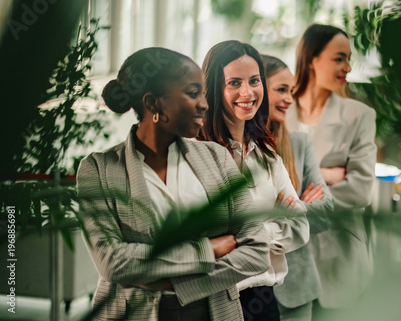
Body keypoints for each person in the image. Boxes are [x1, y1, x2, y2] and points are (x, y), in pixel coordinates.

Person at [76, 47, 271, 321]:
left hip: (214, 312)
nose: (204, 103)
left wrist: (172, 284)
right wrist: (209, 249)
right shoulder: (99, 169)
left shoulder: (216, 157)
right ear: (153, 104)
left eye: (203, 93)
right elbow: (114, 261)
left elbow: (257, 250)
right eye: (193, 93)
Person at [199, 40, 310, 321]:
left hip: (263, 298)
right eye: (234, 82)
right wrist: (274, 222)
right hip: (214, 300)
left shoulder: (266, 154)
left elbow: (301, 227)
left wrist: (247, 236)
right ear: (214, 88)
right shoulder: (195, 154)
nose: (247, 92)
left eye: (254, 80)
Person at [286, 24, 377, 316]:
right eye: (339, 58)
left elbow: (360, 189)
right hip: (287, 262)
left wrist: (294, 195)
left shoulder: (359, 116)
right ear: (312, 58)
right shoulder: (278, 110)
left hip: (339, 257)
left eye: (348, 59)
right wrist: (325, 175)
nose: (348, 68)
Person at [261, 54, 334, 321]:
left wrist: (285, 209)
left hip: (297, 290)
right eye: (281, 90)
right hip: (246, 289)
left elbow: (326, 211)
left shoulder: (300, 144)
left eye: (290, 91)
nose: (289, 99)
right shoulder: (234, 149)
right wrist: (298, 205)